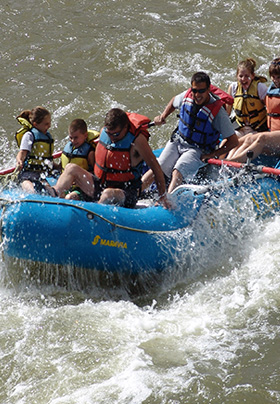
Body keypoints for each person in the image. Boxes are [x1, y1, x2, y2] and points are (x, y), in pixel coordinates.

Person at [51, 108, 171, 209]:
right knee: (71, 168)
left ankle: (94, 216)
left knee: (107, 194)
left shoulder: (137, 141)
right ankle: (52, 195)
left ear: (125, 128)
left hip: (126, 191)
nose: (112, 137)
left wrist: (162, 197)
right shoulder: (104, 131)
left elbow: (156, 168)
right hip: (101, 184)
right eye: (109, 134)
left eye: (116, 134)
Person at [141, 72, 239, 193]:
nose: (197, 95)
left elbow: (233, 141)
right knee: (157, 168)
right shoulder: (187, 96)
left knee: (177, 171)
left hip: (198, 150)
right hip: (178, 141)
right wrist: (163, 116)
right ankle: (135, 194)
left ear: (208, 89)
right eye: (194, 90)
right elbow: (173, 101)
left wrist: (212, 154)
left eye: (201, 91)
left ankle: (168, 202)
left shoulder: (218, 113)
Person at [227, 58, 280, 163]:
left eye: (279, 77)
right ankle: (227, 160)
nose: (275, 80)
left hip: (273, 135)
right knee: (248, 139)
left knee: (261, 137)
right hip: (274, 135)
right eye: (273, 77)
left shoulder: (260, 88)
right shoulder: (273, 91)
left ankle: (234, 163)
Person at [15, 106, 59, 194]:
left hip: (41, 176)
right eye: (46, 124)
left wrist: (59, 167)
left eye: (49, 123)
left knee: (52, 193)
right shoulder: (29, 135)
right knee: (32, 191)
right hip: (26, 175)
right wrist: (19, 160)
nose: (49, 126)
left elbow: (46, 160)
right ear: (35, 124)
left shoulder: (46, 136)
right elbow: (22, 153)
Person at [227, 57, 268, 138]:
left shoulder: (260, 88)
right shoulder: (233, 88)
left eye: (247, 76)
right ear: (237, 76)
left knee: (245, 144)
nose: (243, 79)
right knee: (227, 143)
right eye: (240, 76)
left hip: (257, 129)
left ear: (252, 76)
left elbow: (270, 109)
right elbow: (227, 113)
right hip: (240, 128)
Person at [61, 119, 96, 200]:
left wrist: (77, 177)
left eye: (76, 138)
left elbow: (95, 174)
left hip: (82, 188)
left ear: (85, 135)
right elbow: (61, 167)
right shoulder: (68, 148)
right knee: (58, 195)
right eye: (71, 137)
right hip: (69, 185)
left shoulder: (90, 152)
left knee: (69, 197)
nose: (73, 141)